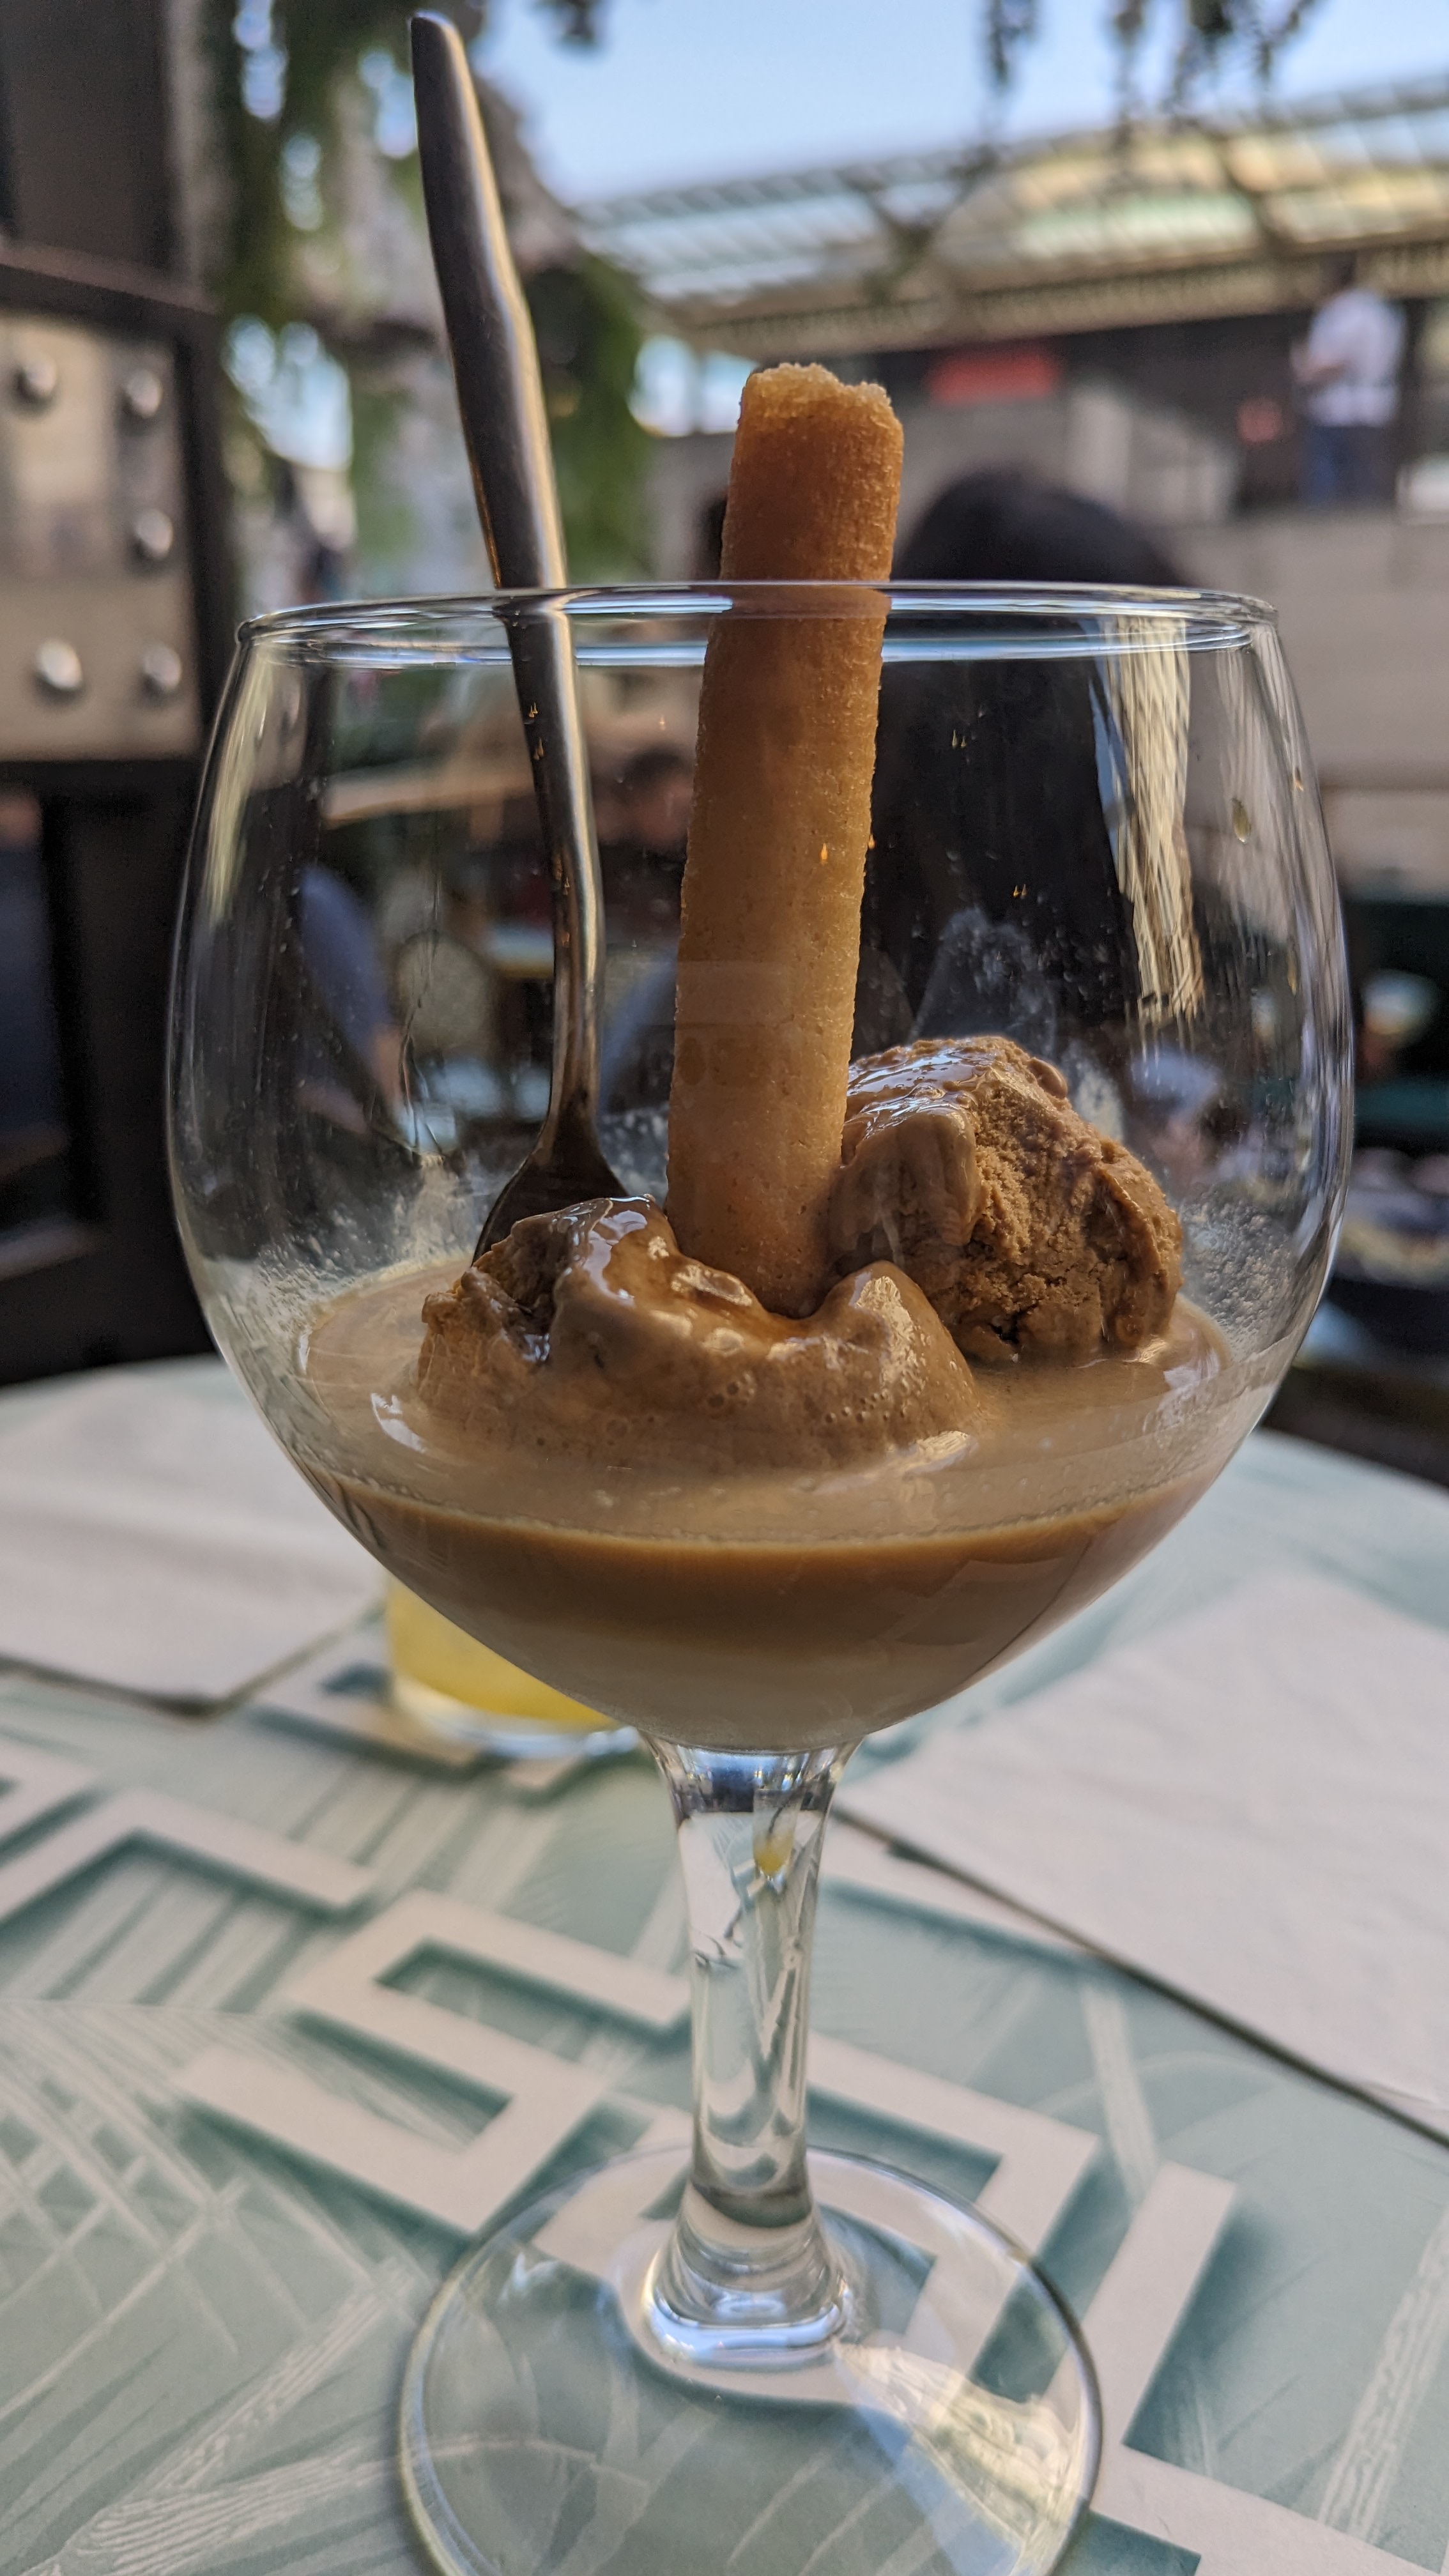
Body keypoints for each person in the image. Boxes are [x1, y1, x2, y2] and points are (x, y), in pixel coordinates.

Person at [1292, 256, 1405, 507]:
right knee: (1368, 483)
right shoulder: (1381, 307)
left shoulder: (1345, 310)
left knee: (1335, 489)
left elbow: (1337, 361)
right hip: (1374, 405)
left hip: (1343, 408)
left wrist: (1305, 370)